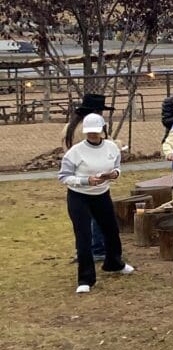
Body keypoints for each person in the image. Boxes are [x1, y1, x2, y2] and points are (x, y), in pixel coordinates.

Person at [58, 113, 133, 294]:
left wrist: (114, 174)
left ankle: (114, 263)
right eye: (89, 132)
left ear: (103, 131)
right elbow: (64, 177)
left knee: (111, 230)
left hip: (102, 194)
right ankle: (85, 278)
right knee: (84, 235)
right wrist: (85, 181)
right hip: (79, 196)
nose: (93, 135)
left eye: (96, 131)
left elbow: (116, 168)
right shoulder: (75, 152)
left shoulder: (111, 148)